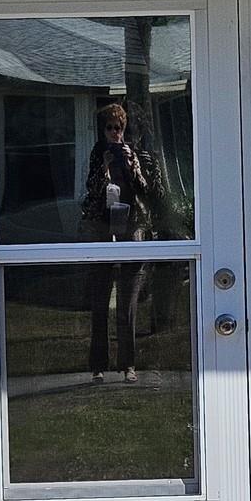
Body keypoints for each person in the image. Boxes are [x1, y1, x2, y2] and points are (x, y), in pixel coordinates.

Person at [81, 102, 155, 384]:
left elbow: (146, 191)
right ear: (103, 131)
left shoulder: (133, 153)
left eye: (119, 128)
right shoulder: (98, 154)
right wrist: (105, 168)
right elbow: (92, 191)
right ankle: (98, 365)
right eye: (110, 128)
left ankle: (128, 365)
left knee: (128, 303)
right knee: (100, 301)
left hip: (130, 227)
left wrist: (131, 163)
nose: (115, 133)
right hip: (103, 228)